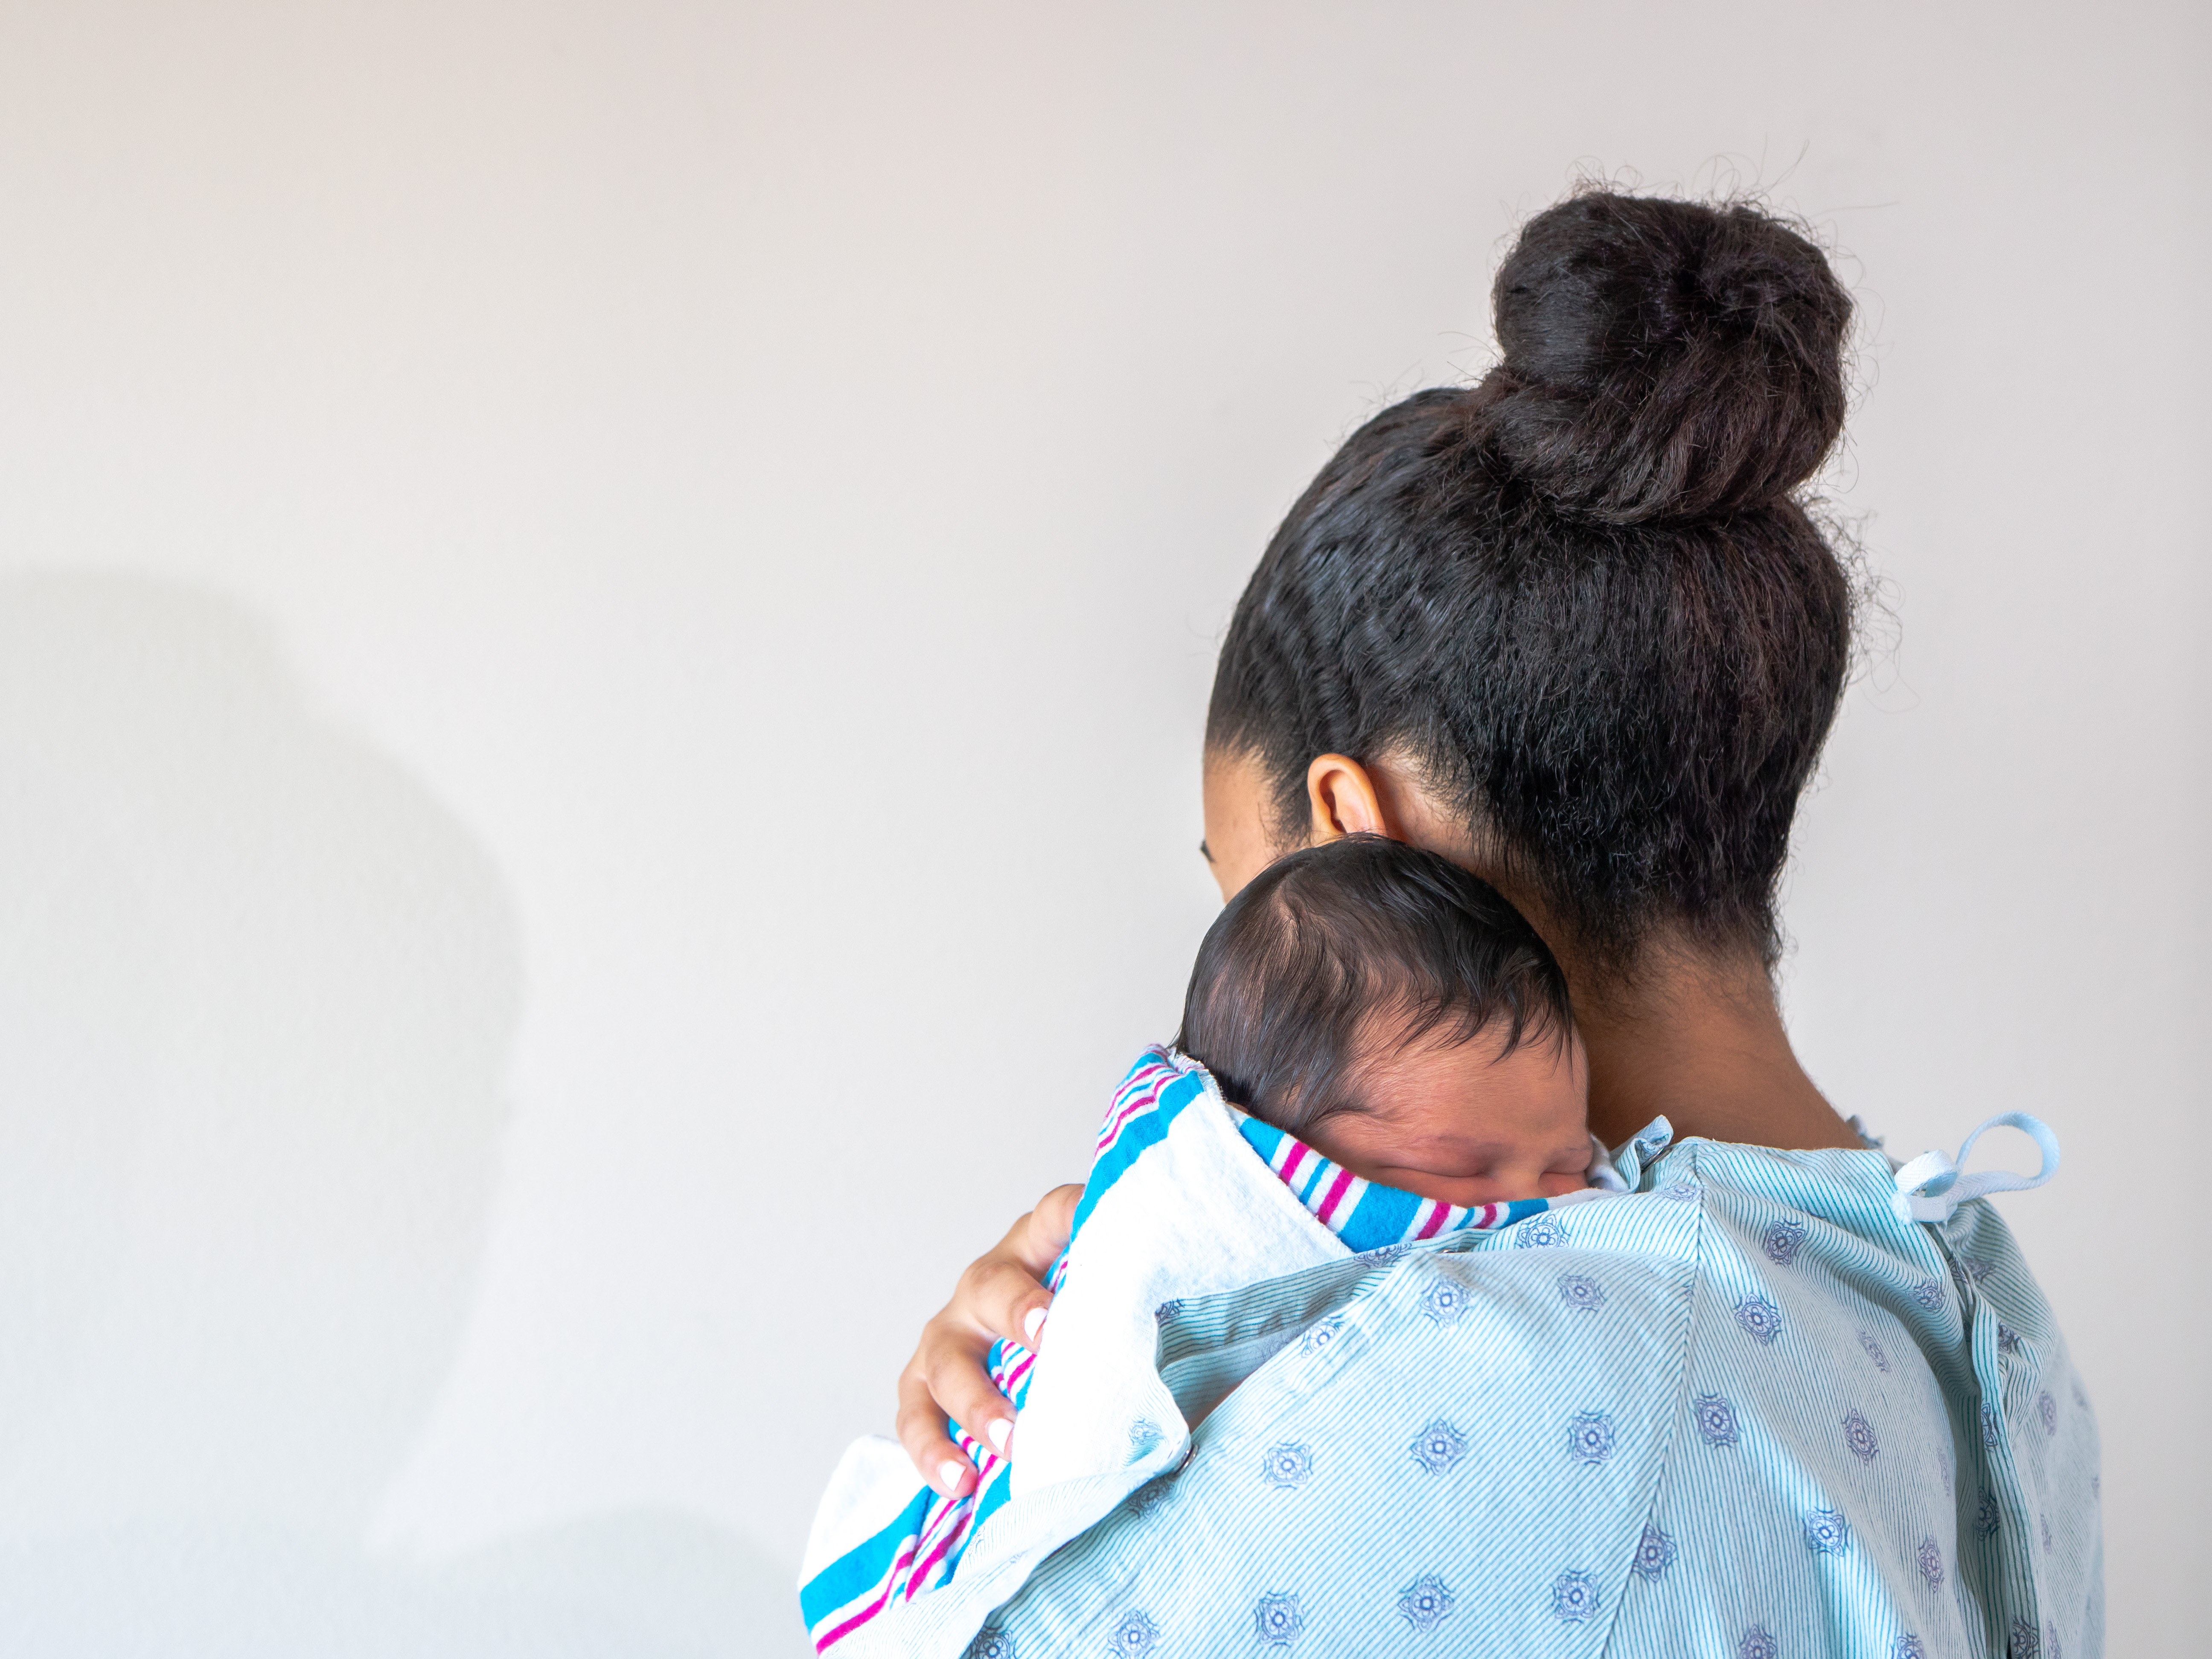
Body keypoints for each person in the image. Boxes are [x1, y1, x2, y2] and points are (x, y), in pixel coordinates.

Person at [882, 189, 2098, 1657]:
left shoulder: (1529, 1392)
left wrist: (979, 1494)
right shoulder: (1972, 1311)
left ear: (1354, 833)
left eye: (1243, 896)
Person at [801, 838, 1624, 1652]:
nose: (1529, 1210)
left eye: (1565, 1163)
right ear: (1276, 1146)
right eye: (1456, 1171)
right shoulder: (1197, 1206)